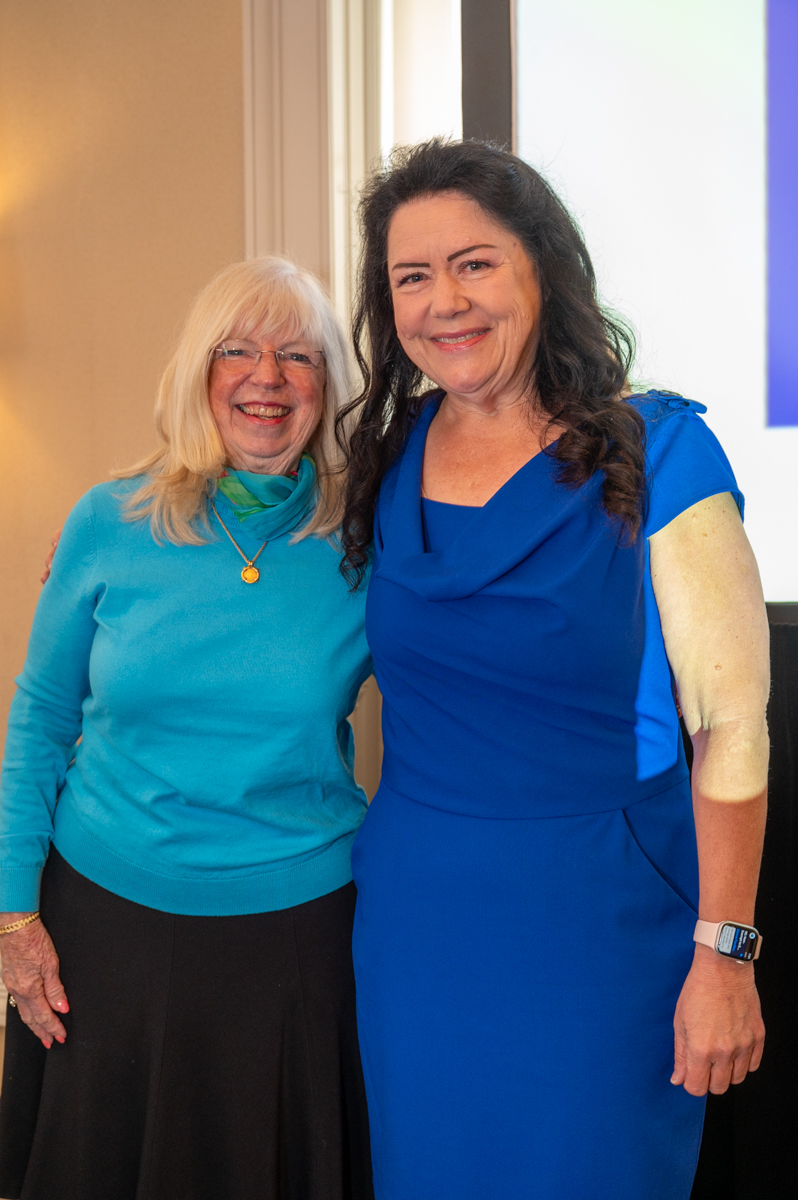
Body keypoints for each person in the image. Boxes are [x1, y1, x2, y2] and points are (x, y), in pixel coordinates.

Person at [339, 140, 769, 1200]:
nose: (445, 301)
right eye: (412, 276)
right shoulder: (387, 457)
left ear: (543, 267)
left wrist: (725, 953)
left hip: (600, 919)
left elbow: (732, 723)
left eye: (475, 264)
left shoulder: (660, 450)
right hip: (417, 923)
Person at [0, 256, 374, 1200]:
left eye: (298, 356)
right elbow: (40, 720)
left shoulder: (369, 544)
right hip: (100, 923)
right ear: (198, 372)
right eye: (236, 351)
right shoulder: (110, 520)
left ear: (329, 384)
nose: (266, 377)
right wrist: (12, 914)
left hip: (298, 933)